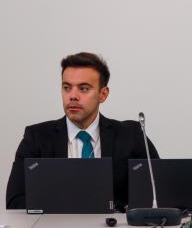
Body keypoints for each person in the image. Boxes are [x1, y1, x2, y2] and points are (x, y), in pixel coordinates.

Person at [5, 52, 158, 211]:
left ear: (103, 94)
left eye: (83, 88)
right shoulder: (36, 138)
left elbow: (158, 194)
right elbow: (15, 202)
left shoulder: (130, 135)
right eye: (66, 88)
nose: (72, 96)